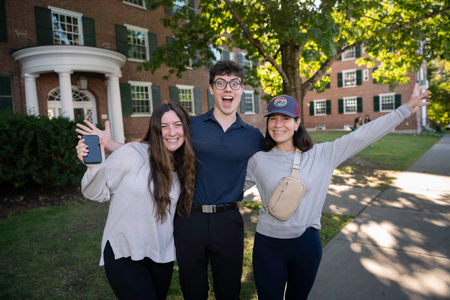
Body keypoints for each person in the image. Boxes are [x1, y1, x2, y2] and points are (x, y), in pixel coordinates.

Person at [75, 60, 264, 300]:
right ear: (211, 88)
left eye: (234, 83)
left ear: (242, 88)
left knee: (229, 291)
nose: (228, 88)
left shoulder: (253, 136)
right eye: (221, 83)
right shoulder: (190, 125)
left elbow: (268, 163)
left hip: (227, 219)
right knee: (193, 290)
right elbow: (155, 150)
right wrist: (112, 147)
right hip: (189, 218)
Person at [244, 83, 430, 300]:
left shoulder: (322, 155)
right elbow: (230, 192)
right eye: (273, 118)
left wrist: (405, 109)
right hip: (268, 245)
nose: (278, 124)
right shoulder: (258, 160)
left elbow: (364, 135)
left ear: (297, 124)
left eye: (285, 118)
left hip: (306, 245)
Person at [76, 103, 196, 300]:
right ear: (155, 129)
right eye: (164, 126)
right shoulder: (131, 153)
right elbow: (96, 193)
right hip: (123, 251)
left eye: (177, 124)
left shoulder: (186, 166)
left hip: (161, 254)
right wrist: (94, 167)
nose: (172, 132)